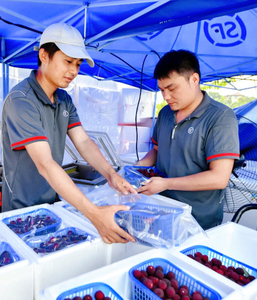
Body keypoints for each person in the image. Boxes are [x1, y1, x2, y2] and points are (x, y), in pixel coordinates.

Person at [1, 23, 137, 244]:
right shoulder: (21, 100)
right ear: (44, 56)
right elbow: (45, 164)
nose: (74, 71)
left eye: (78, 63)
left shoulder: (64, 99)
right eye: (68, 61)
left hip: (50, 204)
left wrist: (111, 175)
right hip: (20, 210)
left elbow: (83, 141)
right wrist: (93, 213)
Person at [136, 50, 240, 230]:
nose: (166, 97)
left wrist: (166, 183)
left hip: (196, 221)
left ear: (194, 79)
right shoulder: (165, 113)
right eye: (161, 90)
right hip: (159, 210)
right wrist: (136, 169)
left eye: (172, 88)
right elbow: (157, 150)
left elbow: (219, 178)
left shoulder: (220, 117)